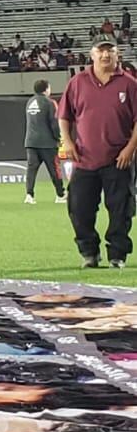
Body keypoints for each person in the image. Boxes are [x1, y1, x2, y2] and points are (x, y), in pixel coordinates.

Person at [58, 39, 137, 268]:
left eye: (110, 51)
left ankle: (117, 255)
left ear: (117, 55)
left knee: (121, 211)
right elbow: (64, 116)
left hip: (118, 159)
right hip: (84, 159)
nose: (105, 55)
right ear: (92, 55)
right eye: (101, 51)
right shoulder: (78, 82)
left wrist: (130, 148)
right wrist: (67, 142)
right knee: (78, 208)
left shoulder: (130, 84)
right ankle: (89, 253)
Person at [23, 79, 65, 205]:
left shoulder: (30, 102)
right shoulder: (49, 102)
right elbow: (54, 123)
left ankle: (29, 195)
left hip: (31, 141)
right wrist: (58, 138)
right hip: (47, 143)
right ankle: (60, 195)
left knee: (31, 169)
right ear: (46, 89)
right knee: (54, 169)